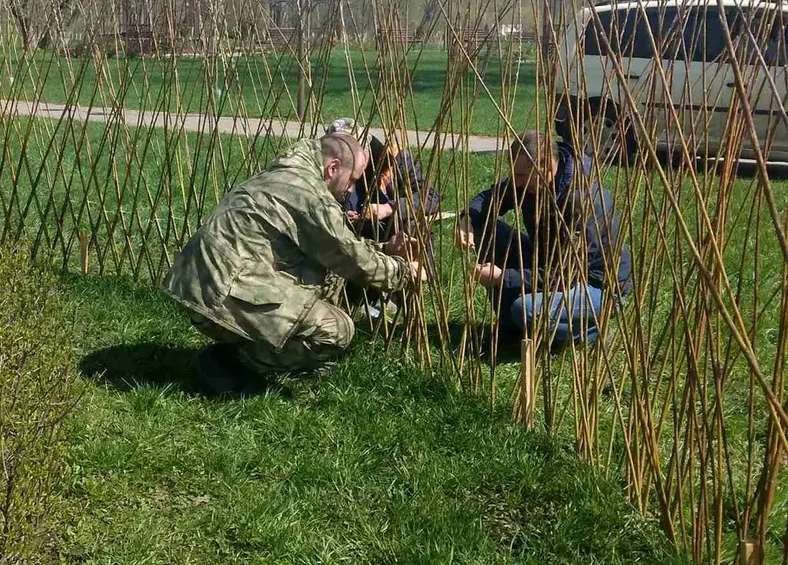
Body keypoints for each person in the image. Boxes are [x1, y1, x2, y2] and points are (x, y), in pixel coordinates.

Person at [163, 132, 424, 397]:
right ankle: (231, 362)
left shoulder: (289, 172)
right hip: (222, 293)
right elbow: (349, 258)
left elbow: (329, 252)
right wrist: (402, 270)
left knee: (322, 281)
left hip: (199, 282)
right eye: (353, 179)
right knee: (338, 331)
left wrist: (384, 249)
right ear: (333, 168)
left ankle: (255, 347)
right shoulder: (308, 196)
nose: (351, 189)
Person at [454, 129, 631, 352]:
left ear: (546, 166)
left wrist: (503, 277)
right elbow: (489, 198)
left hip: (594, 285)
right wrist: (467, 220)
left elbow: (566, 276)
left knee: (524, 309)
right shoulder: (530, 181)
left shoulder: (580, 201)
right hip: (548, 261)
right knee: (483, 230)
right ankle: (511, 329)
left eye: (520, 176)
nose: (515, 183)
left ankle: (592, 332)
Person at [325, 118, 440, 319]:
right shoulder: (327, 168)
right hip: (353, 241)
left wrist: (390, 208)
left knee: (414, 223)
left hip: (391, 228)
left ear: (366, 148)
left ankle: (406, 289)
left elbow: (430, 197)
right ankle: (358, 294)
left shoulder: (394, 158)